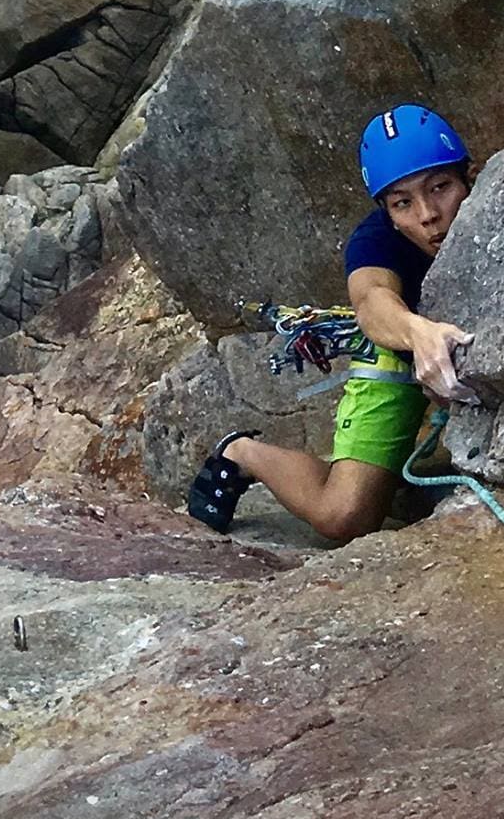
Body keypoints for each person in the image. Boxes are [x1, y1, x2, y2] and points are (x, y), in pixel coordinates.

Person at [186, 104, 475, 543]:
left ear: (466, 178)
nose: (427, 214)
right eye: (402, 203)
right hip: (396, 350)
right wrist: (417, 332)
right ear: (386, 210)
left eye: (440, 187)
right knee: (343, 517)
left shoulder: (500, 198)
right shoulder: (375, 240)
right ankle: (243, 453)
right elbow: (371, 299)